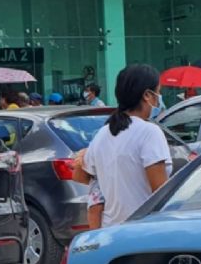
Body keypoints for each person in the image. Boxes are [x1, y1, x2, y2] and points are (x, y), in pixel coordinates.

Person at [72, 64, 172, 227]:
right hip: (142, 231)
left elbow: (81, 176)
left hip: (111, 231)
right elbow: (160, 194)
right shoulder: (150, 132)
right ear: (147, 95)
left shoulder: (103, 133)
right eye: (158, 92)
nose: (159, 98)